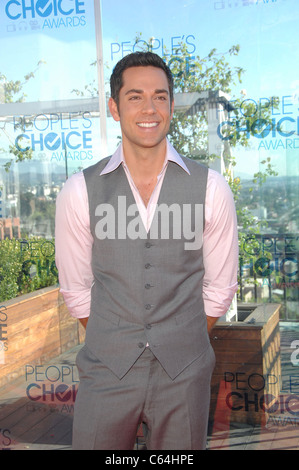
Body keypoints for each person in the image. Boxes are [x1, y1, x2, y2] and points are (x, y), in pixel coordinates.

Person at [55, 51, 238, 450]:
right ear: (114, 107)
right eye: (135, 96)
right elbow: (76, 288)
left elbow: (220, 286)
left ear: (172, 105)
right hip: (107, 369)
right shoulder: (79, 190)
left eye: (160, 96)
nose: (149, 108)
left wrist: (179, 340)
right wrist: (117, 341)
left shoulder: (211, 188)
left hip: (184, 371)